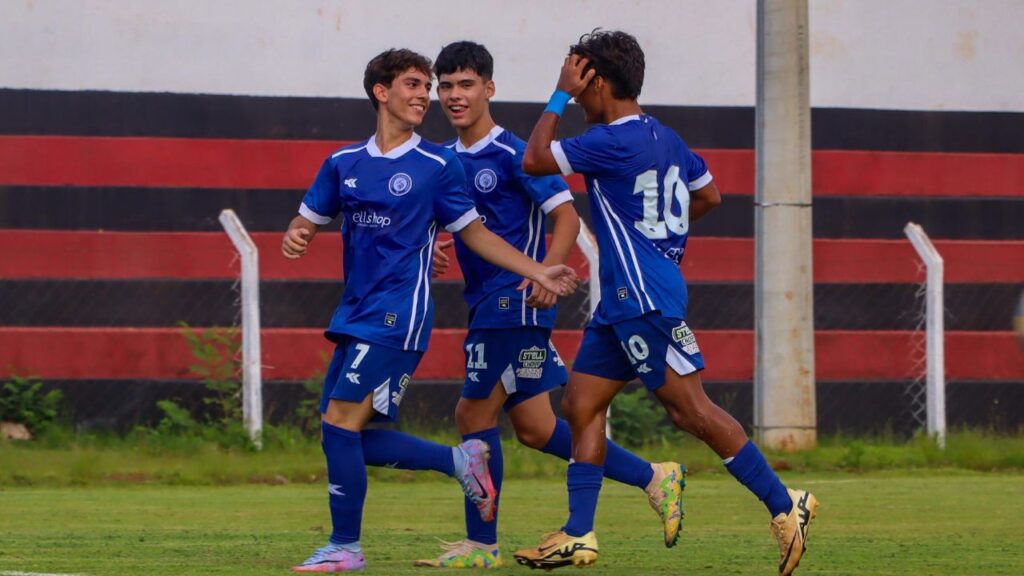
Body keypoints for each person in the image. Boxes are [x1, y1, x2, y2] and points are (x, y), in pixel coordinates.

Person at [511, 31, 819, 575]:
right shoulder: (666, 138)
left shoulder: (609, 140)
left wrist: (556, 94)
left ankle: (783, 504)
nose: (578, 98)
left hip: (644, 298)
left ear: (598, 83)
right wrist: (663, 236)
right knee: (580, 407)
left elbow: (535, 158)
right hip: (624, 301)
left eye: (582, 87)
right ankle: (578, 534)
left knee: (689, 409)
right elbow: (710, 194)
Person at [281, 48, 579, 573]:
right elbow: (308, 219)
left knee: (340, 421)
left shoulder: (439, 165)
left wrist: (537, 270)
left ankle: (346, 547)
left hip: (400, 314)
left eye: (428, 86)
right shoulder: (342, 162)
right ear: (381, 92)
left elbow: (477, 233)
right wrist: (299, 235)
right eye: (416, 85)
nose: (426, 96)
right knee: (342, 433)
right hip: (352, 314)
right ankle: (459, 461)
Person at [413, 40, 687, 569]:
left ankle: (481, 544)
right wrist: (437, 251)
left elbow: (565, 216)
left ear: (489, 88)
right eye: (444, 86)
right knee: (538, 429)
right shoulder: (444, 161)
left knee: (472, 414)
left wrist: (545, 272)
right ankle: (654, 476)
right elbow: (466, 228)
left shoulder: (513, 152)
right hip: (486, 302)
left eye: (466, 84)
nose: (454, 96)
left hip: (514, 301)